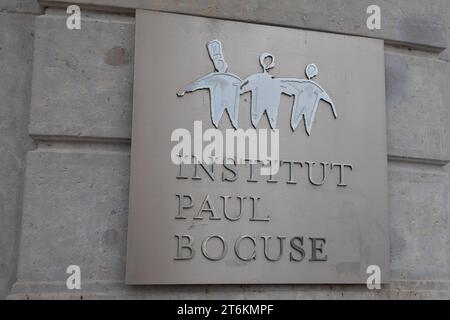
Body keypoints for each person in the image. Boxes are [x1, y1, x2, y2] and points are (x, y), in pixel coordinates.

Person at [177, 40, 242, 129]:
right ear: (215, 64)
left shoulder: (234, 79)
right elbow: (198, 84)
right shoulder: (214, 78)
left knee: (232, 121)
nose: (219, 63)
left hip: (230, 106)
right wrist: (185, 89)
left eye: (220, 60)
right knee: (217, 121)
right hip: (218, 105)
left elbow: (245, 86)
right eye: (217, 61)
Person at [278, 63, 337, 135]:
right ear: (314, 73)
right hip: (302, 106)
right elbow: (288, 83)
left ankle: (301, 128)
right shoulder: (314, 86)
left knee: (302, 121)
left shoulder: (303, 84)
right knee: (302, 121)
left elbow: (288, 83)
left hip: (304, 106)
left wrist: (332, 106)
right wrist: (332, 107)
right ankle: (303, 128)